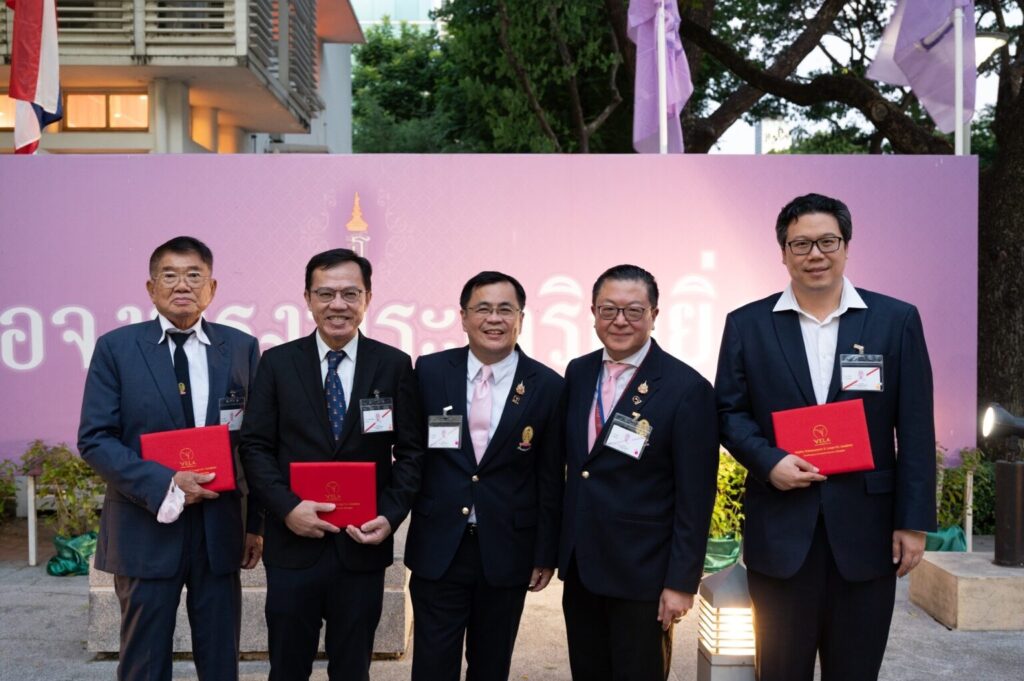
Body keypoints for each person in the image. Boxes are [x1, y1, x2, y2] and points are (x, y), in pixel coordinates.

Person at [715, 193, 936, 681]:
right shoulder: (747, 325)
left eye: (826, 241)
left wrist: (914, 521)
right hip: (781, 532)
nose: (815, 254)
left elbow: (916, 427)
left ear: (846, 245)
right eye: (801, 244)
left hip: (868, 532)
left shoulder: (895, 321)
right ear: (783, 253)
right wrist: (767, 460)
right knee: (780, 671)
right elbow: (729, 413)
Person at [79, 236, 263, 681]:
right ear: (151, 287)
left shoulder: (240, 347)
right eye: (170, 275)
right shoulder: (116, 348)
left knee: (221, 660)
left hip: (220, 531)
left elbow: (255, 442)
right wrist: (167, 482)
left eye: (194, 275)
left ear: (212, 288)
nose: (183, 284)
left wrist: (255, 523)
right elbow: (95, 438)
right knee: (144, 661)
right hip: (144, 529)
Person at [239, 248, 424, 681]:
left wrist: (390, 515)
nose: (337, 305)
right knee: (287, 667)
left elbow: (412, 452)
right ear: (307, 298)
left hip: (362, 546)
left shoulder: (393, 365)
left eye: (349, 293)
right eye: (325, 293)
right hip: (292, 547)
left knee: (353, 668)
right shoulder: (278, 363)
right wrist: (286, 508)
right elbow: (255, 447)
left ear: (368, 297)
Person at [558, 264, 719, 681]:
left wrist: (681, 582)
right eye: (608, 310)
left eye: (633, 310)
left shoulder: (687, 389)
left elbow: (695, 497)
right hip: (582, 568)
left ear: (654, 315)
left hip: (643, 574)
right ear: (593, 313)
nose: (620, 321)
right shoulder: (578, 372)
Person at [406, 271, 564, 681]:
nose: (494, 319)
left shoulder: (546, 385)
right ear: (463, 317)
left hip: (508, 548)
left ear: (521, 318)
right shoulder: (429, 371)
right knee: (432, 665)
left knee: (492, 665)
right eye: (483, 309)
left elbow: (549, 477)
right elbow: (411, 453)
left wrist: (545, 552)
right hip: (439, 544)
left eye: (505, 309)